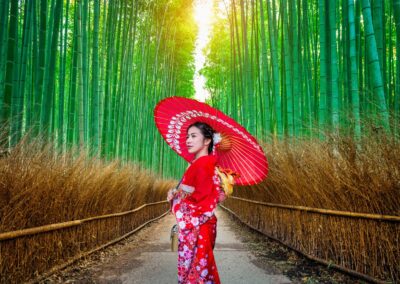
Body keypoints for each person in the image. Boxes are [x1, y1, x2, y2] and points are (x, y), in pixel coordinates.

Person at [167, 121, 226, 284]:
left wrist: (176, 199)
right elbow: (210, 195)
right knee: (202, 270)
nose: (188, 140)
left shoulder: (202, 164)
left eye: (193, 136)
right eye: (187, 137)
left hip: (197, 226)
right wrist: (177, 193)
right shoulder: (208, 164)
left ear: (207, 140)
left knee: (196, 274)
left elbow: (197, 201)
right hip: (203, 225)